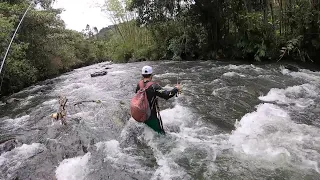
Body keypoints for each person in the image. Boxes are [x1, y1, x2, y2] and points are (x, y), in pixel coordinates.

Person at [135, 65, 181, 134]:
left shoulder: (139, 84)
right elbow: (167, 95)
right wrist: (176, 89)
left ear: (142, 75)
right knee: (160, 134)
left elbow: (136, 93)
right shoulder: (154, 86)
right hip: (151, 117)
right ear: (151, 75)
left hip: (141, 115)